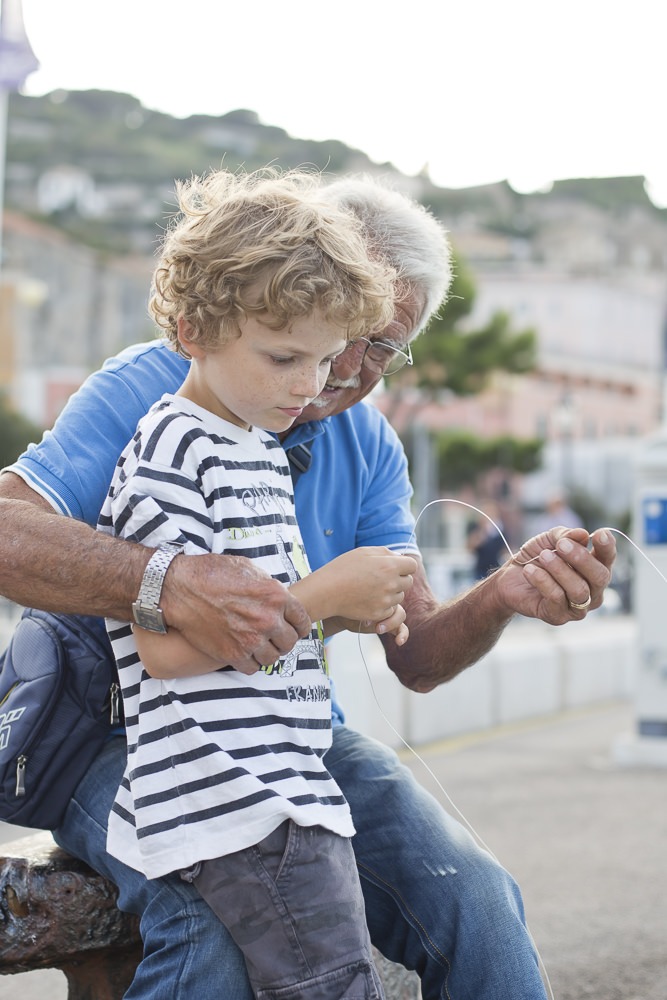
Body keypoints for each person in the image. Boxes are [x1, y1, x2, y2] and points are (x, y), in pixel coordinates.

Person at [0, 173, 616, 1000]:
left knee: (476, 898)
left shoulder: (365, 442)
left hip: (285, 740)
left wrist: (502, 594)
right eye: (309, 341)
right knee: (207, 928)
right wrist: (173, 581)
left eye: (371, 345)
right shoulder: (163, 388)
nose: (332, 373)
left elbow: (417, 654)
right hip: (119, 734)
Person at [99, 167, 416, 999]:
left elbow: (258, 629)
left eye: (323, 359)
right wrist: (329, 594)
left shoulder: (251, 444)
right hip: (239, 799)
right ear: (193, 327)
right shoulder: (176, 448)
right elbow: (165, 649)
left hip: (278, 788)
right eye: (284, 357)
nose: (310, 385)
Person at [466, 502, 509, 580]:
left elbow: (504, 550)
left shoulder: (499, 531)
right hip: (480, 569)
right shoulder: (477, 528)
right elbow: (471, 546)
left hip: (495, 569)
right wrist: (483, 529)